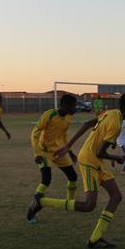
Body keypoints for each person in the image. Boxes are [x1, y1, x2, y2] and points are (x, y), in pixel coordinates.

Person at [27, 93, 125, 249]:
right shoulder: (116, 124)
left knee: (116, 196)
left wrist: (68, 146)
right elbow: (100, 152)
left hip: (95, 160)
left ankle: (95, 239)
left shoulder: (111, 113)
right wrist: (118, 158)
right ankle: (42, 202)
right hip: (89, 160)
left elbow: (88, 124)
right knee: (88, 205)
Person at [26, 94, 78, 224]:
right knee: (46, 179)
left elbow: (64, 135)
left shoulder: (68, 117)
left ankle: (70, 202)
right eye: (73, 106)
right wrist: (37, 153)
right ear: (65, 106)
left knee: (73, 177)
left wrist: (70, 151)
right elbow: (35, 132)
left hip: (58, 152)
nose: (75, 108)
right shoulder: (50, 115)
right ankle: (32, 209)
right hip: (44, 152)